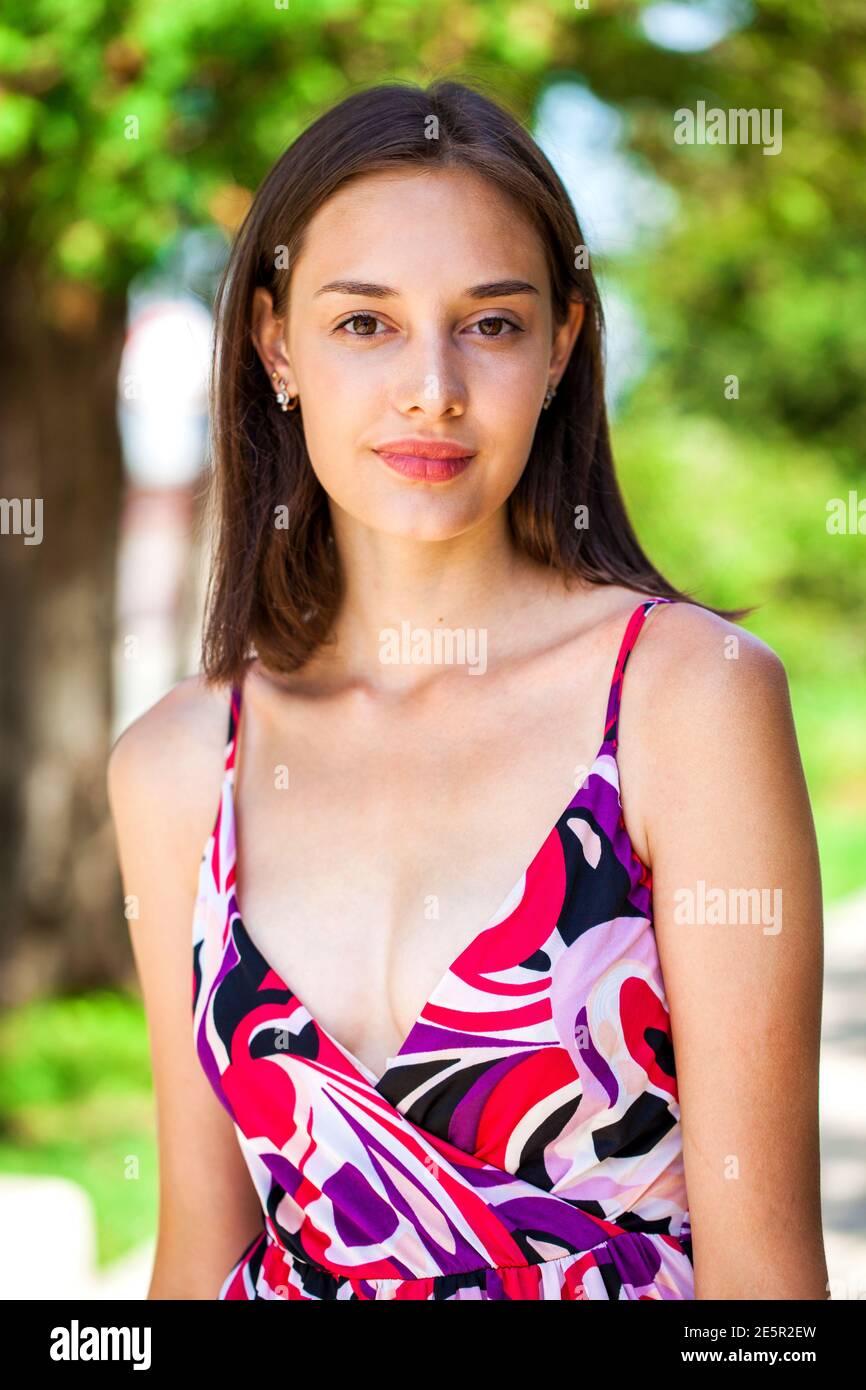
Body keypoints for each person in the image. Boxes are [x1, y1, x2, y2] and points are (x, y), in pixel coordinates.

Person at [107, 79, 828, 1301]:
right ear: (276, 344)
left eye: (489, 324)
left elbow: (767, 1289)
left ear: (559, 345)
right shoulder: (180, 762)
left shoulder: (682, 700)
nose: (430, 387)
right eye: (364, 324)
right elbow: (199, 1252)